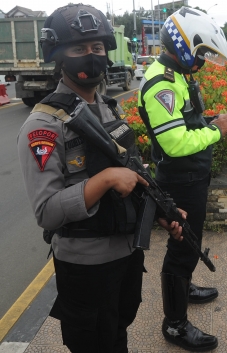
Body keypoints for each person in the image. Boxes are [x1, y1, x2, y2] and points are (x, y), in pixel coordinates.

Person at [17, 4, 184, 352]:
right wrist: (105, 179)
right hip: (85, 267)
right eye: (79, 48)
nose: (91, 56)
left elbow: (134, 174)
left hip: (126, 256)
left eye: (97, 48)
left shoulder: (108, 108)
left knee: (118, 332)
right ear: (60, 56)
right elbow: (46, 211)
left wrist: (163, 212)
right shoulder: (43, 127)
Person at [137, 7, 227, 351]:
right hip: (180, 179)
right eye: (201, 54)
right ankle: (175, 325)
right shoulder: (161, 84)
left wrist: (212, 119)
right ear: (183, 46)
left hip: (192, 176)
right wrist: (216, 131)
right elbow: (174, 141)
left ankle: (186, 287)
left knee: (188, 243)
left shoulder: (177, 75)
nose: (202, 62)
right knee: (181, 248)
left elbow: (186, 122)